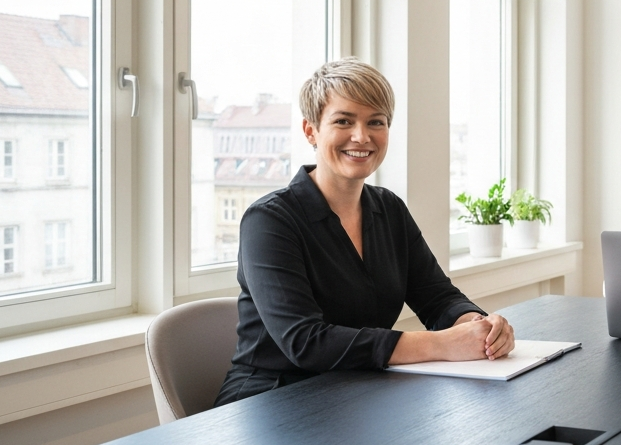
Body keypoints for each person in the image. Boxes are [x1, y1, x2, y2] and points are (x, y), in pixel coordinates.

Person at [214, 58, 514, 406]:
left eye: (376, 122)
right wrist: (443, 344)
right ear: (310, 130)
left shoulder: (389, 209)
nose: (362, 136)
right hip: (272, 401)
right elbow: (306, 342)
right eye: (343, 121)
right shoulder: (269, 221)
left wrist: (479, 327)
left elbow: (437, 296)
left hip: (356, 393)